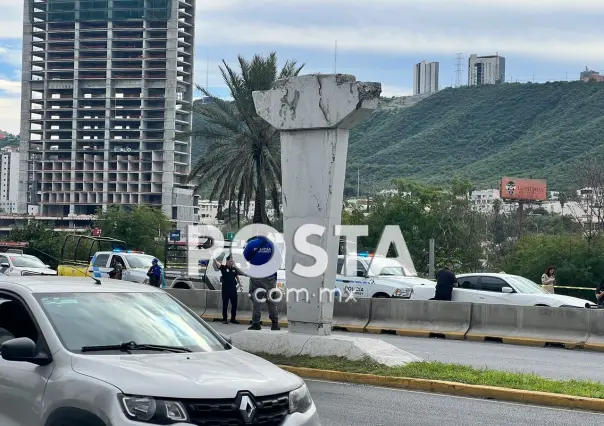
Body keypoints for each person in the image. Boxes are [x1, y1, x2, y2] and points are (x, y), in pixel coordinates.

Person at [244, 236, 280, 331]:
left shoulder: (251, 244)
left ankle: (256, 323)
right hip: (269, 277)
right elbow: (278, 261)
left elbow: (245, 258)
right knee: (271, 300)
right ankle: (275, 323)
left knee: (256, 300)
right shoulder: (273, 245)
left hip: (256, 276)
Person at [214, 255, 241, 324]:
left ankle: (233, 319)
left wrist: (240, 284)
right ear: (227, 261)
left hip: (233, 289)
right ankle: (224, 319)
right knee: (225, 304)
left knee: (234, 304)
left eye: (233, 261)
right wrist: (213, 257)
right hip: (225, 289)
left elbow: (237, 276)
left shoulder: (234, 269)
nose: (232, 262)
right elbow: (217, 264)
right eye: (231, 261)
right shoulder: (223, 267)